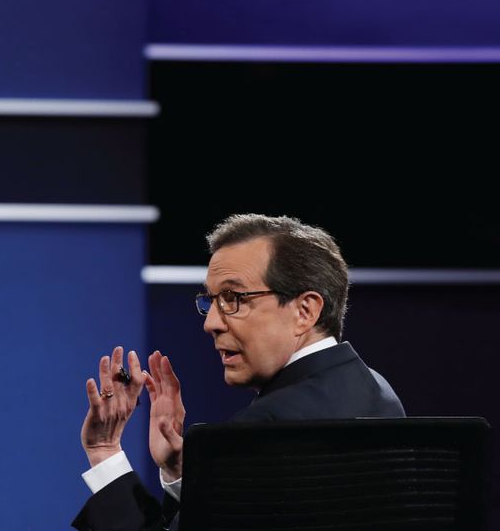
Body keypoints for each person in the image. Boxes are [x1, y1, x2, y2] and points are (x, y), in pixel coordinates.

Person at [72, 214, 405, 530]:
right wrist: (181, 474)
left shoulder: (261, 431)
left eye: (233, 298)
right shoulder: (378, 392)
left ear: (305, 311)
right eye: (211, 300)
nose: (211, 323)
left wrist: (105, 452)